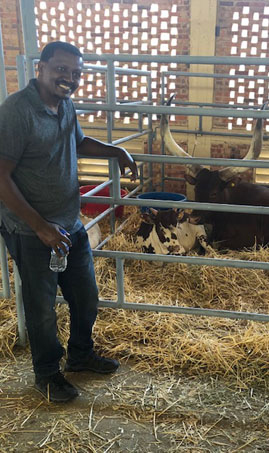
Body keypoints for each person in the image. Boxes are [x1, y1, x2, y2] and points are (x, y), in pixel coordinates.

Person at [0, 41, 138, 402]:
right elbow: (1, 177)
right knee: (42, 307)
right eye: (62, 70)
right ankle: (47, 373)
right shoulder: (17, 111)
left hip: (69, 221)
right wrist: (40, 226)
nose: (70, 78)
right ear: (41, 68)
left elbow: (77, 141)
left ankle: (80, 355)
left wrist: (116, 151)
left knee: (86, 296)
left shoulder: (64, 105)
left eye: (76, 73)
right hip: (31, 229)